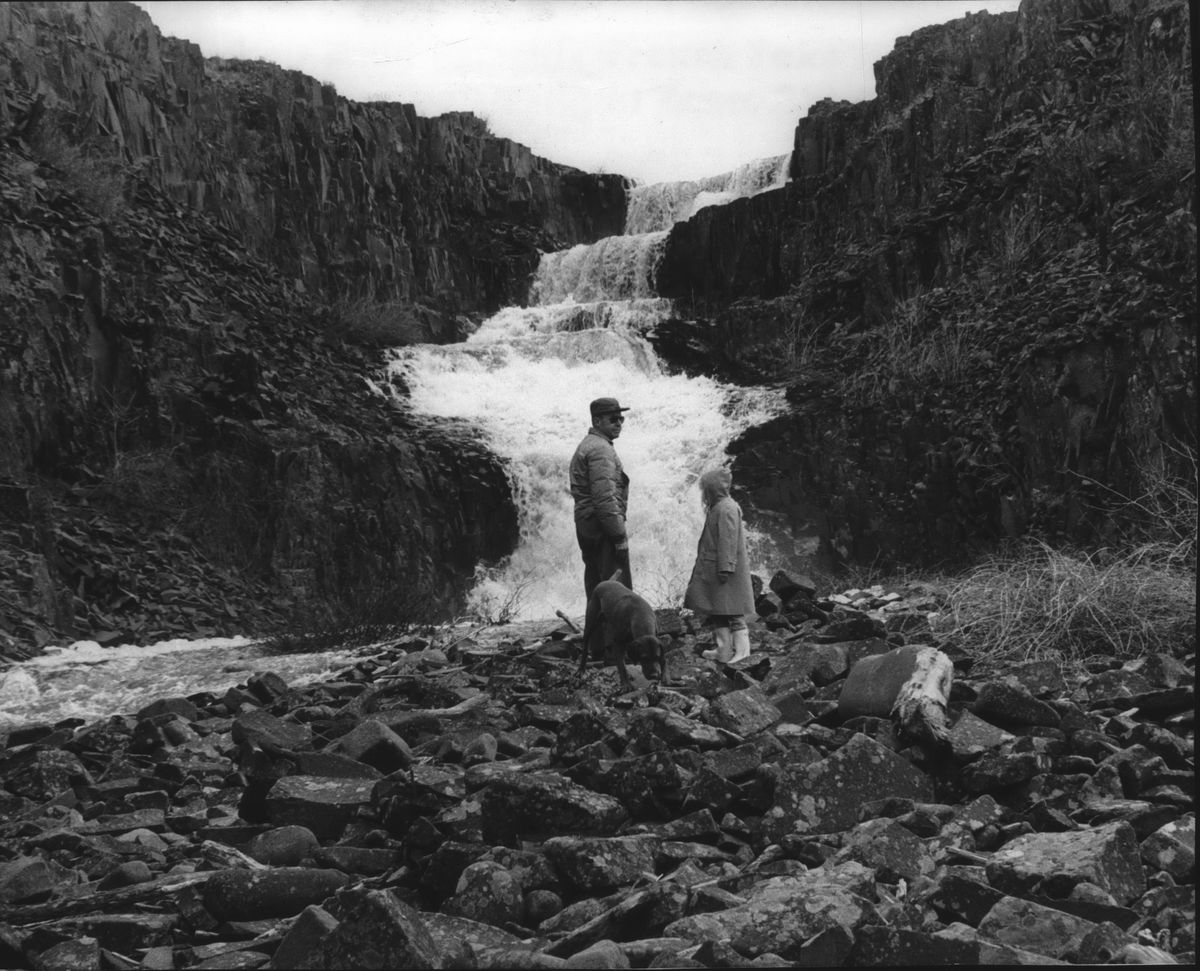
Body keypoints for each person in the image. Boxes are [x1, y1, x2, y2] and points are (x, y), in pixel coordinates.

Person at [684, 468, 756, 663]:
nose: (704, 494)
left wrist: (726, 567)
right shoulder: (719, 507)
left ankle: (742, 652)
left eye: (706, 490)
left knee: (734, 612)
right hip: (716, 569)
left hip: (724, 570)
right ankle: (723, 651)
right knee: (719, 612)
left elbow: (728, 541)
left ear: (713, 490)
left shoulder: (726, 508)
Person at [569, 397, 633, 601]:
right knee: (616, 592)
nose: (619, 424)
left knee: (597, 588)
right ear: (597, 421)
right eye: (613, 419)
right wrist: (619, 536)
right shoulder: (600, 449)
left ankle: (595, 633)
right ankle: (615, 634)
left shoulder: (591, 444)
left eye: (621, 419)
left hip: (589, 524)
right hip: (601, 527)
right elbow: (605, 498)